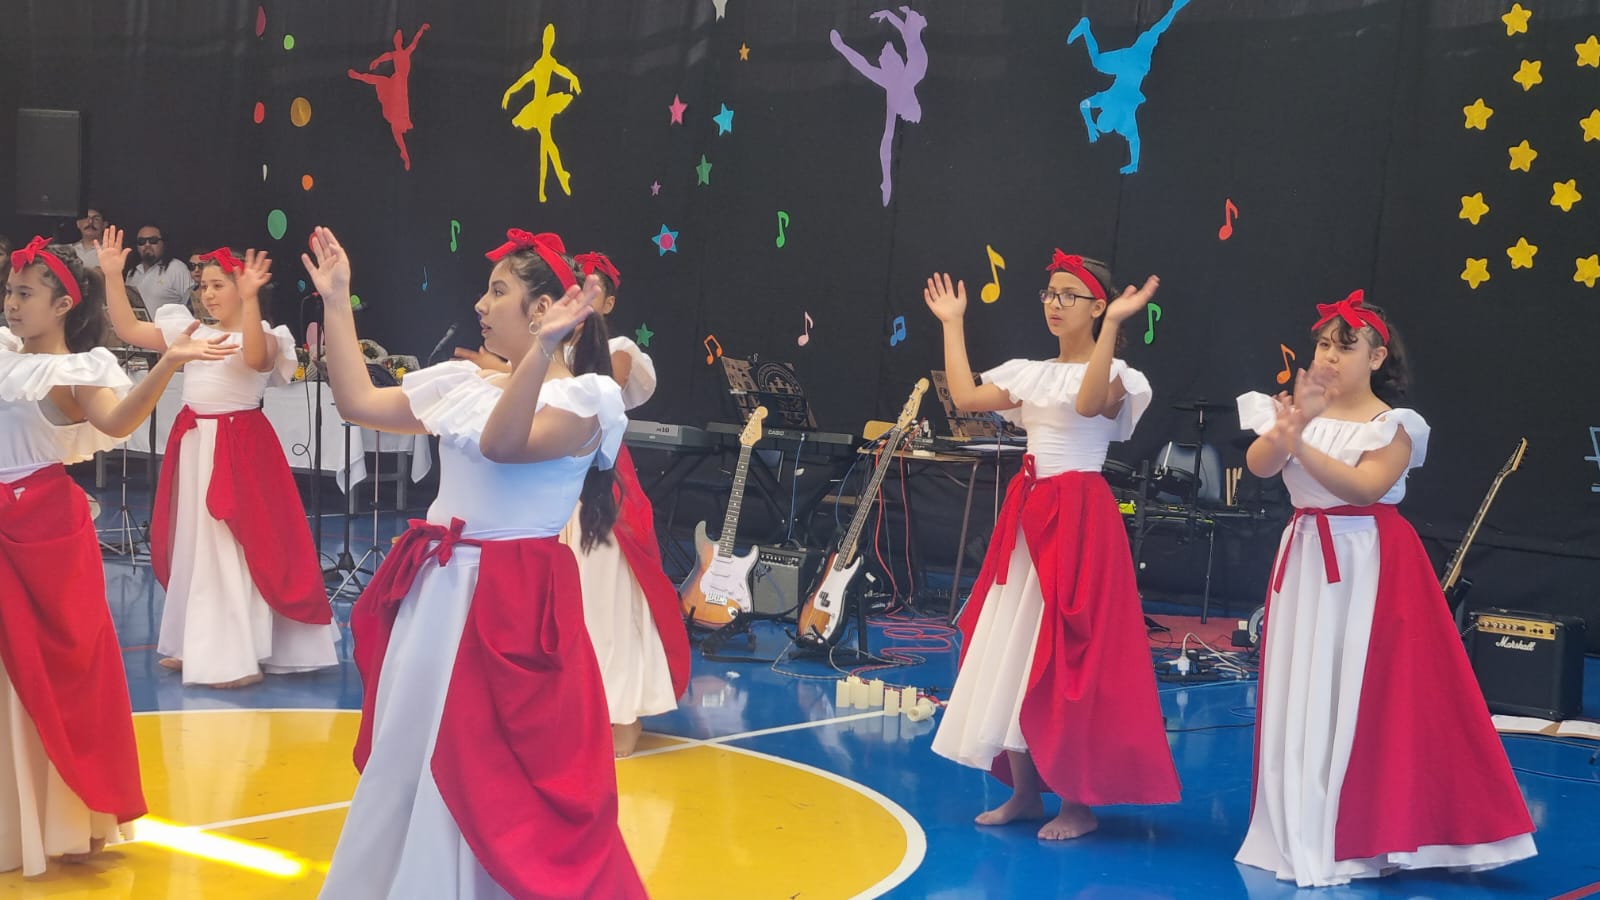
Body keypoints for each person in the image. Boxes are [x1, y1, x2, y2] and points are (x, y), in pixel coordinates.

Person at [305, 226, 645, 898]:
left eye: (498, 292)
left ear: (544, 310)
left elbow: (503, 446)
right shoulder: (463, 383)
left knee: (490, 767)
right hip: (437, 594)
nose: (481, 306)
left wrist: (541, 353)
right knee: (413, 750)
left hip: (509, 604)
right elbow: (358, 404)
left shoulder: (586, 399)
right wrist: (337, 301)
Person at [1234, 290, 1535, 887]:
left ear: (1375, 358)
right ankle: (1302, 821)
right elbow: (1260, 466)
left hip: (1369, 563)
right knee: (1303, 684)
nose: (1329, 356)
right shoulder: (1296, 411)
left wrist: (1300, 436)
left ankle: (1365, 829)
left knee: (1367, 693)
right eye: (1324, 344)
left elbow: (1363, 488)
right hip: (1306, 557)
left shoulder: (1396, 425)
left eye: (1345, 347)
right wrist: (1294, 422)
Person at [927, 250, 1181, 840]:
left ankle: (1077, 801)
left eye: (1069, 295)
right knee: (1015, 645)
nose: (1055, 304)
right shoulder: (1029, 371)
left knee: (1070, 652)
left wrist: (1112, 328)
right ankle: (1024, 793)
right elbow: (964, 397)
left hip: (1079, 516)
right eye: (1049, 294)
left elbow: (1089, 404)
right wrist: (953, 323)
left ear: (1097, 306)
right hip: (1030, 515)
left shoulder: (1119, 375)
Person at [0, 235, 233, 875]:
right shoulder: (3, 353)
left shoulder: (75, 371)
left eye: (25, 294)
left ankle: (56, 820)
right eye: (10, 292)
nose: (12, 304)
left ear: (61, 306)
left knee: (52, 675)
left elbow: (118, 422)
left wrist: (169, 363)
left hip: (42, 529)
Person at [99, 225, 336, 688]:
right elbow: (128, 329)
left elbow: (256, 360)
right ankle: (196, 644)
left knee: (234, 544)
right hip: (195, 446)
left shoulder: (266, 335)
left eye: (217, 285)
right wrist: (111, 275)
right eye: (203, 286)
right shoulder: (189, 332)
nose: (207, 295)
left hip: (239, 448)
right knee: (195, 543)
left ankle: (236, 655)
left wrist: (250, 301)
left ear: (243, 287)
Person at [562, 250, 689, 758]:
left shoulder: (617, 349)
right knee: (564, 601)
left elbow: (597, 393)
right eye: (575, 287)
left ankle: (620, 712)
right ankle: (566, 708)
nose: (582, 297)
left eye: (593, 290)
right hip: (549, 482)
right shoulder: (547, 349)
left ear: (609, 302)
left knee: (604, 597)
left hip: (599, 485)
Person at [124, 224, 192, 314]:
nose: (147, 245)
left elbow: (192, 305)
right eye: (142, 241)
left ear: (163, 243)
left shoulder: (177, 268)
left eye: (153, 240)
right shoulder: (132, 273)